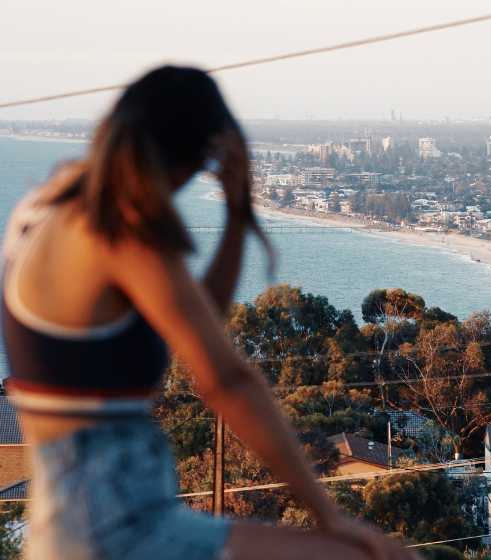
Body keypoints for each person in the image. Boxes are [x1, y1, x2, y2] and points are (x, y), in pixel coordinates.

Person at [1, 67, 418, 560]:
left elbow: (192, 323)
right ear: (194, 158)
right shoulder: (119, 228)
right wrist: (333, 521)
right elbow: (226, 380)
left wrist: (237, 215)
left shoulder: (45, 205)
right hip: (118, 529)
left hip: (76, 522)